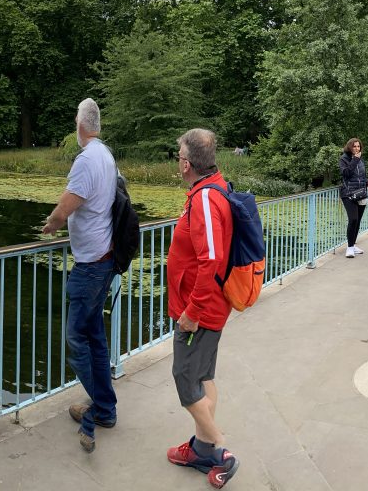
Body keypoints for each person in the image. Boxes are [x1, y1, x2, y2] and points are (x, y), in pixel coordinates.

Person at [35, 98, 119, 453]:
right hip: (104, 259)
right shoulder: (106, 155)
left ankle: (102, 407)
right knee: (95, 336)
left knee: (76, 338)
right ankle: (105, 406)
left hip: (90, 265)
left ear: (79, 124)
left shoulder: (87, 159)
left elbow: (68, 204)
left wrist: (51, 225)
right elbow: (78, 194)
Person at [165, 128, 240, 488]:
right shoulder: (209, 189)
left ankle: (220, 451)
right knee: (203, 376)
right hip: (207, 306)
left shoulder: (207, 199)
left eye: (179, 155)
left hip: (200, 312)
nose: (178, 160)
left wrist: (192, 312)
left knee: (185, 379)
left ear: (186, 163)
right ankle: (200, 448)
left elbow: (210, 258)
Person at [340, 138, 368, 259]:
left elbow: (361, 175)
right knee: (353, 219)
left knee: (358, 221)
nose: (357, 148)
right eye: (354, 146)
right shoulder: (344, 159)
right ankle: (349, 248)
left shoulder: (360, 159)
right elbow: (346, 174)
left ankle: (353, 245)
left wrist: (367, 181)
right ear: (349, 147)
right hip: (348, 193)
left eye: (358, 146)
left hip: (360, 193)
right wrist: (355, 160)